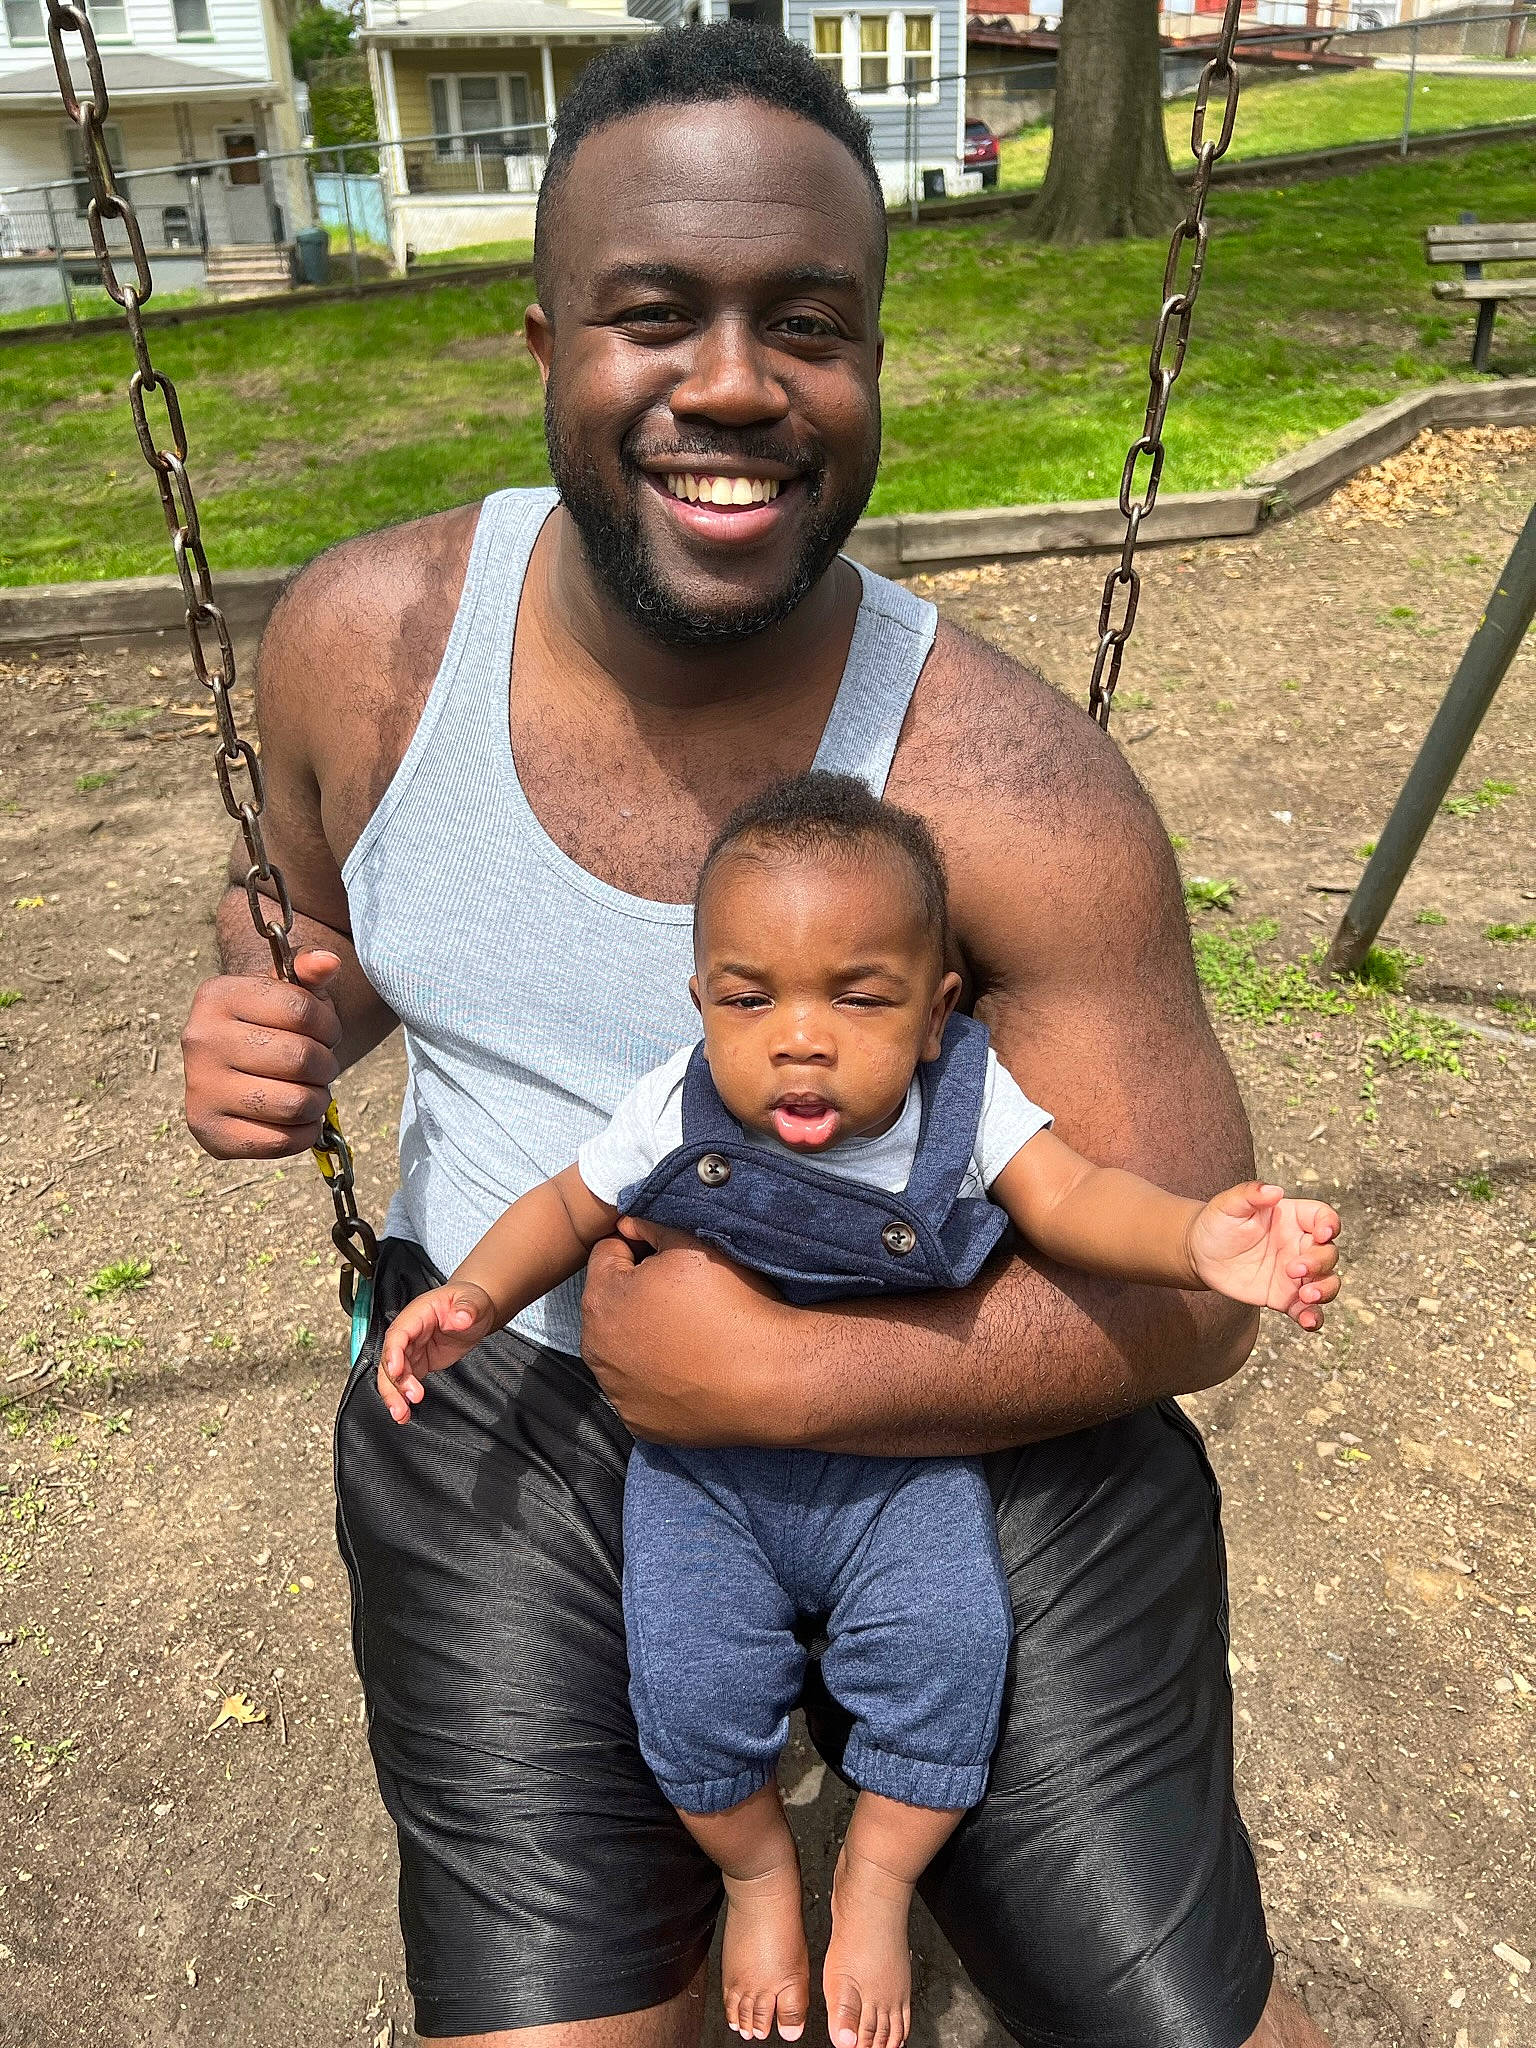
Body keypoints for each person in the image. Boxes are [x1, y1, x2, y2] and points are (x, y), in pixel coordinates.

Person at [181, 23, 1337, 2048]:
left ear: (871, 359)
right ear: (545, 348)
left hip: (960, 1381)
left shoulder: (1015, 787)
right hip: (522, 1383)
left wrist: (798, 1375)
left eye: (806, 322)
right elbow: (327, 920)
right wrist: (276, 1025)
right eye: (656, 315)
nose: (733, 381)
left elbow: (1193, 1301)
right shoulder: (365, 646)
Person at [372, 771, 1342, 2048]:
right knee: (686, 1679)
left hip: (899, 1460)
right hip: (705, 1477)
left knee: (952, 1654)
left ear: (938, 1014)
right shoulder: (676, 1102)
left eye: (858, 995)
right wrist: (478, 1296)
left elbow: (1076, 1196)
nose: (801, 1036)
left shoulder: (965, 1105)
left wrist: (1193, 1237)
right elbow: (567, 1205)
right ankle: (759, 1870)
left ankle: (877, 1878)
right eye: (750, 996)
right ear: (702, 1001)